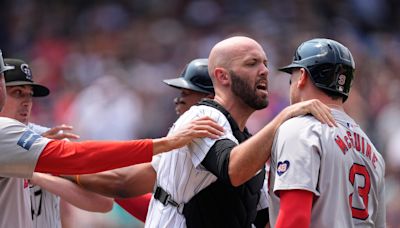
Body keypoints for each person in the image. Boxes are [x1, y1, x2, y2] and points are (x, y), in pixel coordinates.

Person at [64, 37, 334, 228]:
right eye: (252, 63)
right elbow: (233, 169)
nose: (265, 70)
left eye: (264, 63)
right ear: (222, 77)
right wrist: (285, 116)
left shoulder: (246, 140)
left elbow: (261, 215)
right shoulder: (203, 116)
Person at [0, 51, 224, 228]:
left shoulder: (45, 138)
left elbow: (109, 193)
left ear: (210, 98)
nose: (177, 101)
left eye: (29, 94)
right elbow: (115, 184)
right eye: (17, 93)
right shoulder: (39, 140)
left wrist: (41, 172)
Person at [73, 58, 215, 222]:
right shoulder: (201, 134)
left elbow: (122, 182)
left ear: (208, 99)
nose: (177, 100)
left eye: (186, 93)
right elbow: (162, 204)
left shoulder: (207, 138)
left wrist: (61, 168)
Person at [268, 38, 386, 227]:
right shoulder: (373, 153)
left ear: (303, 76)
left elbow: (294, 218)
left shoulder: (300, 129)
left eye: (292, 78)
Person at [0, 58, 114, 228]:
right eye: (17, 93)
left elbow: (104, 202)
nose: (27, 102)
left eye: (29, 95)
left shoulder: (48, 140)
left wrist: (36, 175)